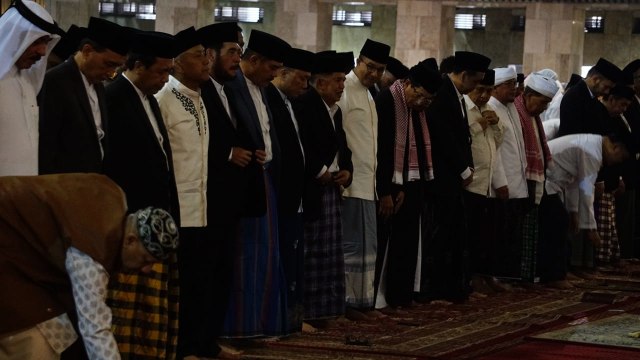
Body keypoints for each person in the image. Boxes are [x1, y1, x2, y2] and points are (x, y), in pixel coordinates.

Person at [0, 173, 179, 360]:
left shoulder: (114, 195)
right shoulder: (93, 254)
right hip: (8, 247)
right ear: (131, 240)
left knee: (57, 334)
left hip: (23, 254)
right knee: (35, 345)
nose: (146, 270)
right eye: (145, 260)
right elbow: (95, 329)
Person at [103, 30, 181, 359]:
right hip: (131, 221)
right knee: (126, 314)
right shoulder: (114, 97)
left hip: (154, 214)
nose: (166, 79)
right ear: (136, 66)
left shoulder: (147, 98)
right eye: (161, 71)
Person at [223, 29, 290, 338]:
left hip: (266, 181)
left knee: (265, 259)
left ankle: (259, 324)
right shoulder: (232, 87)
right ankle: (239, 326)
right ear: (253, 60)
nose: (275, 75)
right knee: (244, 259)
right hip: (243, 185)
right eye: (271, 68)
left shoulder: (262, 89)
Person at [155, 26, 211, 360]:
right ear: (176, 63)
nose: (206, 62)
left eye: (207, 55)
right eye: (197, 55)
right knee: (176, 288)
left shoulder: (200, 100)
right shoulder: (164, 99)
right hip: (176, 210)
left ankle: (193, 345)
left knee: (196, 285)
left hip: (200, 209)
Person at [374, 59, 442, 309]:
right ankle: (381, 298)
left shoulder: (417, 110)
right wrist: (388, 190)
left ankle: (401, 295)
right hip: (391, 185)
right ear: (410, 85)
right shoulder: (387, 101)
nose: (424, 104)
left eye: (429, 100)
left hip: (412, 183)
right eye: (422, 97)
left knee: (408, 243)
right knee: (388, 244)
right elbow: (382, 149)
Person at [424, 51, 491, 303]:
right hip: (442, 179)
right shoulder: (442, 93)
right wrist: (464, 169)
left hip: (455, 178)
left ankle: (455, 288)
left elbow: (463, 137)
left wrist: (468, 167)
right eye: (475, 81)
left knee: (454, 237)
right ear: (464, 75)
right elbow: (443, 137)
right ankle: (438, 291)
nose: (476, 87)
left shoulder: (456, 95)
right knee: (441, 238)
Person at [293, 51, 354, 329]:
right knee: (312, 252)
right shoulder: (305, 104)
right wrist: (321, 172)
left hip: (332, 188)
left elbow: (342, 145)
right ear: (320, 84)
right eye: (338, 80)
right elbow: (302, 145)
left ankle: (327, 312)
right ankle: (308, 313)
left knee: (330, 253)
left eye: (343, 80)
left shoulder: (336, 110)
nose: (342, 85)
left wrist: (346, 170)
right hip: (313, 188)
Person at [196, 21, 245, 359]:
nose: (237, 61)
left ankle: (210, 340)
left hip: (227, 202)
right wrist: (230, 153)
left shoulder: (225, 90)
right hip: (206, 200)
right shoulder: (197, 91)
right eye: (232, 53)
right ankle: (198, 343)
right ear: (209, 55)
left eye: (240, 54)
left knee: (222, 273)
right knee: (205, 274)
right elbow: (194, 144)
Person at [338, 38, 390, 320]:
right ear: (359, 61)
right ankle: (348, 304)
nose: (374, 74)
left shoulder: (371, 94)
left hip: (368, 185)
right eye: (370, 67)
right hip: (351, 184)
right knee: (352, 248)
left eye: (380, 69)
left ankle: (363, 303)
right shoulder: (344, 88)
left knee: (367, 248)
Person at [265, 47, 315, 333]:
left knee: (294, 261)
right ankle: (278, 320)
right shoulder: (270, 98)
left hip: (294, 197)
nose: (305, 86)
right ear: (283, 74)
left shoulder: (288, 101)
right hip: (280, 196)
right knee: (281, 259)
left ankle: (291, 318)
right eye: (301, 79)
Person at [39, 17, 129, 174]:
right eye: (109, 64)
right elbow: (47, 145)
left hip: (92, 183)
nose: (111, 74)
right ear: (87, 51)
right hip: (65, 184)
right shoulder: (56, 81)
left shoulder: (99, 86)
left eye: (116, 67)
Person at [541, 134, 631, 288]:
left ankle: (562, 271)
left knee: (564, 222)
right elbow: (587, 190)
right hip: (546, 178)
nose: (617, 162)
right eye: (620, 158)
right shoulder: (592, 151)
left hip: (555, 182)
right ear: (615, 148)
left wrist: (574, 212)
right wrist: (591, 228)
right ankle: (554, 276)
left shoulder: (593, 146)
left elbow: (575, 182)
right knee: (559, 222)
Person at [0, 0, 63, 176]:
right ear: (15, 36)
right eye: (37, 41)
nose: (43, 52)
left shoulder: (28, 82)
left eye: (46, 42)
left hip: (26, 193)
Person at [462, 69, 509, 294]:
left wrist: (496, 123)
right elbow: (463, 140)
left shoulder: (489, 109)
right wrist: (480, 124)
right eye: (480, 90)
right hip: (470, 183)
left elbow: (497, 142)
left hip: (487, 185)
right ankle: (470, 278)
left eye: (488, 91)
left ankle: (483, 275)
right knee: (469, 236)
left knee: (485, 236)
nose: (483, 95)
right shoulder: (464, 108)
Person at [514, 73, 559, 286]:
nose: (544, 108)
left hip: (535, 180)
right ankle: (520, 275)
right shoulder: (516, 111)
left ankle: (529, 275)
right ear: (529, 95)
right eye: (542, 102)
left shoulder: (533, 116)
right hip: (519, 180)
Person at [488, 67, 529, 279]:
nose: (514, 89)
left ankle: (511, 275)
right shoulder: (491, 108)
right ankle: (500, 275)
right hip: (502, 185)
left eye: (515, 84)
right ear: (495, 88)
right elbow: (493, 150)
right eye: (509, 85)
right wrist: (500, 182)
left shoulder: (511, 108)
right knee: (500, 235)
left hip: (517, 182)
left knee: (513, 234)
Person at [558, 57, 623, 137]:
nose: (607, 92)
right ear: (595, 79)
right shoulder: (575, 97)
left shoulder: (591, 97)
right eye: (606, 87)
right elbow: (574, 134)